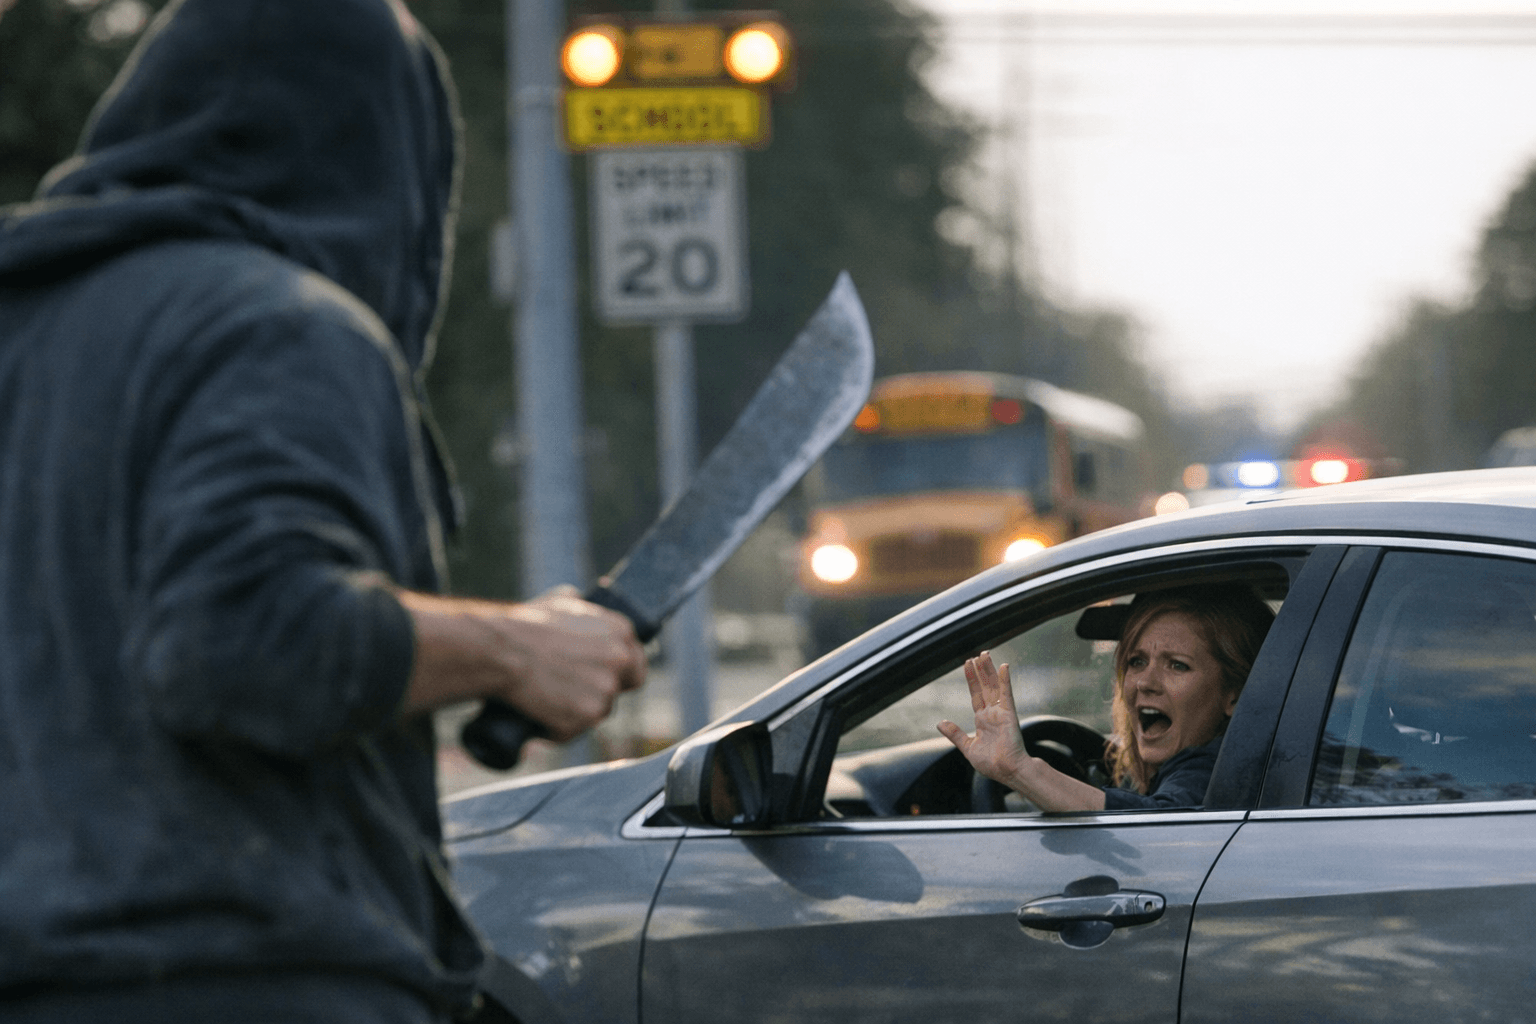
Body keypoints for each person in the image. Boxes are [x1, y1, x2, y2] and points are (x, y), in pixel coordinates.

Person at [0, 1, 644, 1021]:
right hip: (248, 975)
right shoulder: (279, 322)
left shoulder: (26, 329)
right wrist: (517, 648)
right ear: (391, 155)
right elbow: (239, 635)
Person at [938, 584, 1274, 812]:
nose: (1145, 682)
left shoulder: (1213, 770)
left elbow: (1159, 822)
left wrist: (1021, 772)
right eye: (1136, 661)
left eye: (1177, 666)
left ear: (1236, 696)